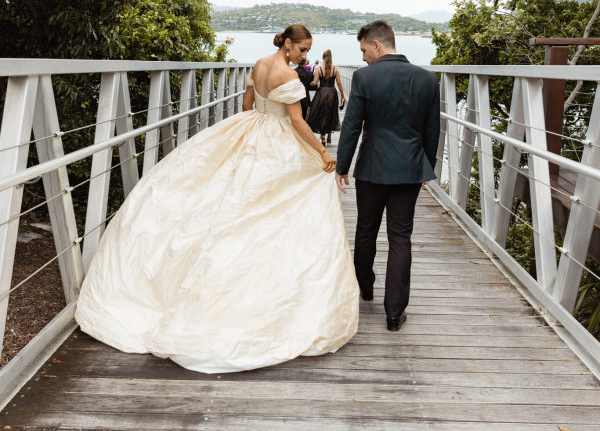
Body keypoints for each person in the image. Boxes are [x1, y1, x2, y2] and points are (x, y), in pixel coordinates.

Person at [75, 24, 359, 373]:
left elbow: (246, 105)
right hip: (279, 136)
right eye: (302, 49)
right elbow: (298, 123)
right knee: (271, 206)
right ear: (288, 44)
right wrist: (322, 153)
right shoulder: (290, 75)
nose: (305, 56)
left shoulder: (258, 64)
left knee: (231, 194)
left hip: (251, 128)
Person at [335, 20, 440, 332]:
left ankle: (365, 289)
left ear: (376, 45)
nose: (364, 57)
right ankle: (394, 314)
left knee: (366, 230)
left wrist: (342, 166)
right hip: (410, 169)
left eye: (364, 49)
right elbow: (431, 130)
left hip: (371, 168)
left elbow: (352, 126)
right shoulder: (427, 79)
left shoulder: (365, 78)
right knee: (400, 238)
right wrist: (427, 167)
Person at [307, 49, 346, 146]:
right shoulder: (335, 69)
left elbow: (314, 83)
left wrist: (307, 82)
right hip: (332, 92)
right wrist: (343, 95)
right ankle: (329, 136)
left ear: (322, 58)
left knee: (321, 113)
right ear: (331, 58)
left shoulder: (318, 69)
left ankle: (323, 138)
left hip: (322, 93)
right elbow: (339, 83)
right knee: (331, 113)